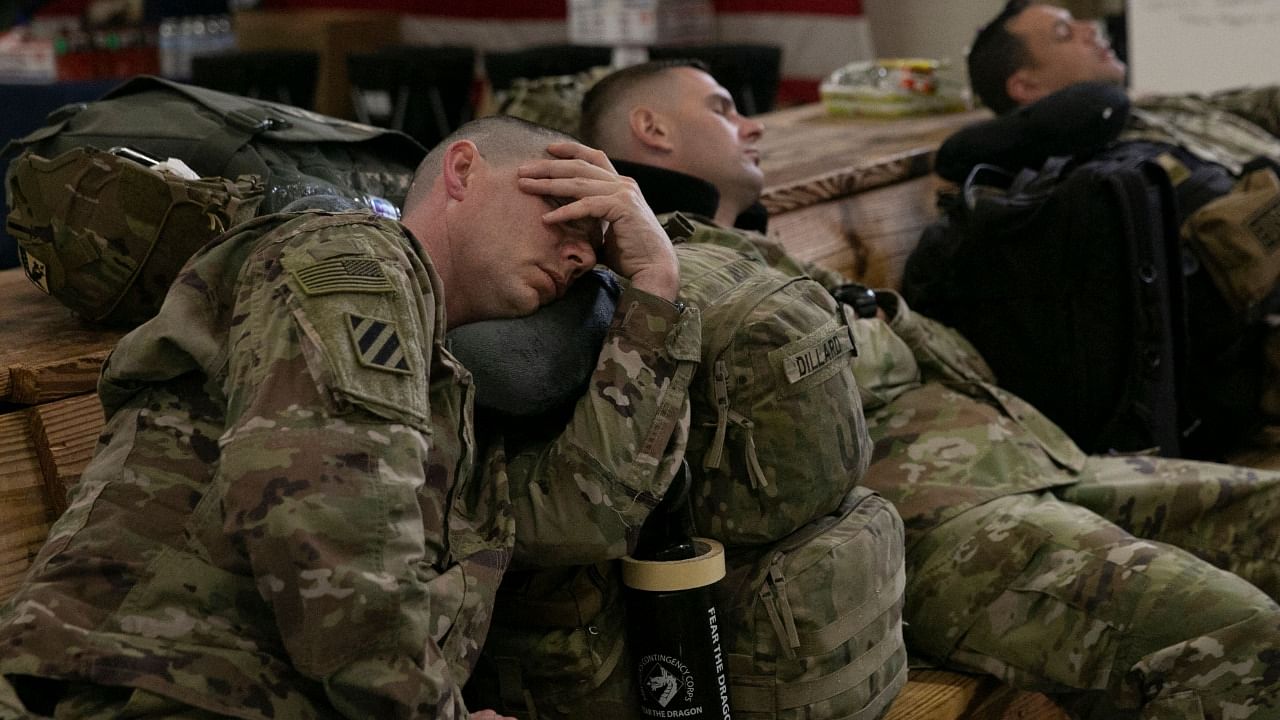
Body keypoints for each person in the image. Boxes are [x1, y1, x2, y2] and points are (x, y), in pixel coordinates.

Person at [580, 60, 1280, 718]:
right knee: (1243, 641)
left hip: (1031, 462)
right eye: (725, 109)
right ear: (654, 130)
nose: (755, 125)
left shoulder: (749, 250)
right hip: (943, 529)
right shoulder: (664, 277)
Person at [0, 116, 701, 719]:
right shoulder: (353, 255)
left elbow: (586, 513)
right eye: (566, 215)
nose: (581, 254)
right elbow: (331, 525)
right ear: (463, 171)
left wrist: (656, 288)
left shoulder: (453, 389)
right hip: (141, 694)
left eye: (594, 246)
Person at [967, 0, 1280, 174]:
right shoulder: (1112, 165)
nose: (1090, 28)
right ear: (1026, 86)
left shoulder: (1138, 106)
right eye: (1064, 33)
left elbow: (1247, 104)